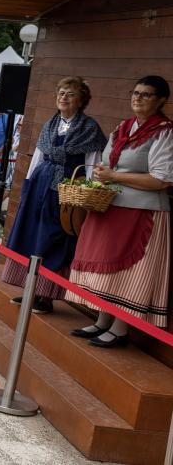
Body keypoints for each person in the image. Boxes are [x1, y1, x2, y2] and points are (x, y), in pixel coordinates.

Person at [66, 75, 172, 347]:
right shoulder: (123, 127)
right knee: (107, 267)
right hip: (111, 206)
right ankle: (103, 321)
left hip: (142, 210)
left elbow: (161, 179)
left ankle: (121, 329)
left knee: (127, 270)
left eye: (146, 94)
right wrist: (102, 174)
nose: (137, 98)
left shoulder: (164, 132)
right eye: (135, 92)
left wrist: (115, 176)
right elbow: (105, 163)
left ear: (161, 100)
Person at [1, 78, 107, 313]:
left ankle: (47, 296)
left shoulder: (89, 129)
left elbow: (92, 165)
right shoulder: (50, 125)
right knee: (31, 235)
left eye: (70, 93)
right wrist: (28, 187)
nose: (64, 97)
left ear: (82, 100)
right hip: (40, 185)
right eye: (60, 92)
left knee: (54, 239)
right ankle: (30, 289)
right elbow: (38, 157)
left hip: (67, 191)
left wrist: (86, 195)